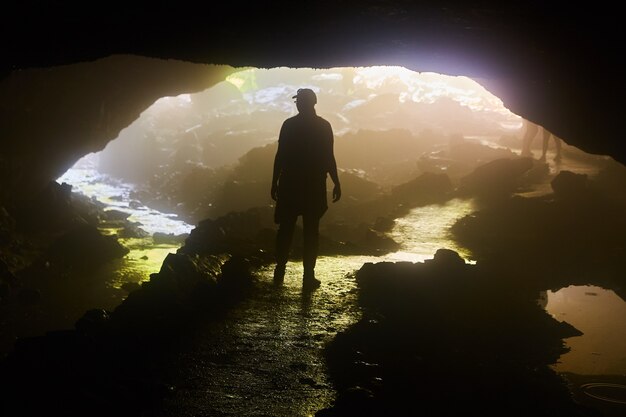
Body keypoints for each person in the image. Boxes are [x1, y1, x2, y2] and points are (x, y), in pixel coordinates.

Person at [270, 88, 341, 290]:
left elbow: (280, 155)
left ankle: (280, 271)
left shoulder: (289, 125)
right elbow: (329, 156)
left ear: (305, 103)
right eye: (298, 101)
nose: (298, 104)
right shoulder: (323, 126)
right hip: (313, 185)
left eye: (300, 101)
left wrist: (274, 181)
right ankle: (308, 277)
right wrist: (336, 181)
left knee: (286, 229)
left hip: (291, 184)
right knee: (311, 231)